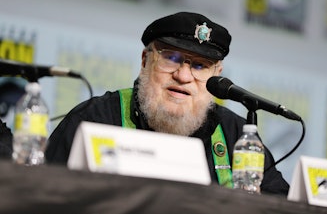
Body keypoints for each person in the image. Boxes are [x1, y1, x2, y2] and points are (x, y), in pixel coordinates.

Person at [45, 12, 289, 195]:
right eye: (171, 59)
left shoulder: (236, 136)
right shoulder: (95, 119)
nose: (183, 77)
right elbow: (41, 194)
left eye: (199, 66)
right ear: (144, 61)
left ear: (217, 74)